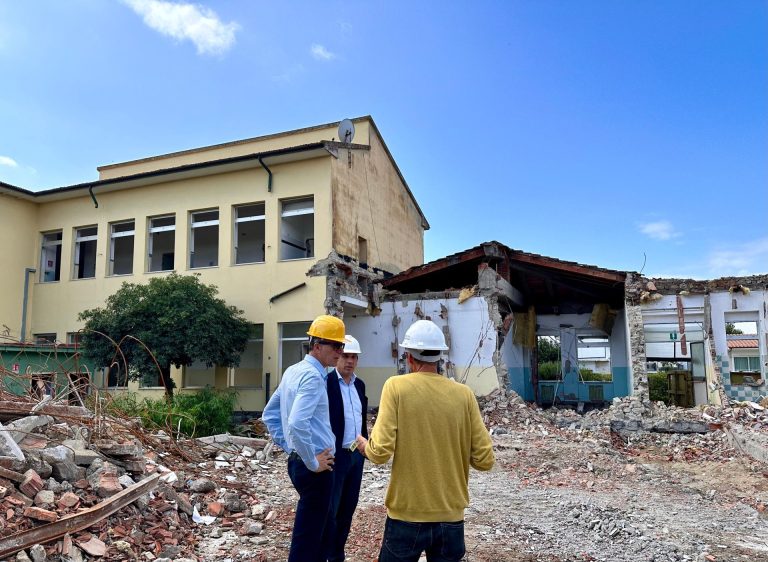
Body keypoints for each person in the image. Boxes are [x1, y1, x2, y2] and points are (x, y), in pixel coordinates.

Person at [355, 320, 495, 562]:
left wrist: (363, 445)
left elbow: (379, 453)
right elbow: (485, 461)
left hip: (406, 515)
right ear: (440, 356)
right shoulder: (464, 395)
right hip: (451, 517)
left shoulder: (396, 387)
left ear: (409, 357)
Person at [262, 314, 346, 562]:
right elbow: (296, 423)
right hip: (315, 467)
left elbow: (270, 415)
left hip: (302, 462)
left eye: (342, 346)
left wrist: (292, 449)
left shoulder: (293, 371)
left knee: (323, 529)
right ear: (317, 345)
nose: (340, 352)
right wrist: (311, 460)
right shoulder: (311, 376)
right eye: (336, 346)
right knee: (308, 537)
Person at [323, 334, 368, 562]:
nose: (349, 361)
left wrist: (365, 447)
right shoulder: (327, 383)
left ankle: (338, 553)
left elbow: (361, 420)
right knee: (331, 509)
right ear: (338, 356)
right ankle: (326, 552)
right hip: (336, 455)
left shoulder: (359, 385)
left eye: (354, 357)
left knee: (349, 507)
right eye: (346, 356)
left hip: (356, 455)